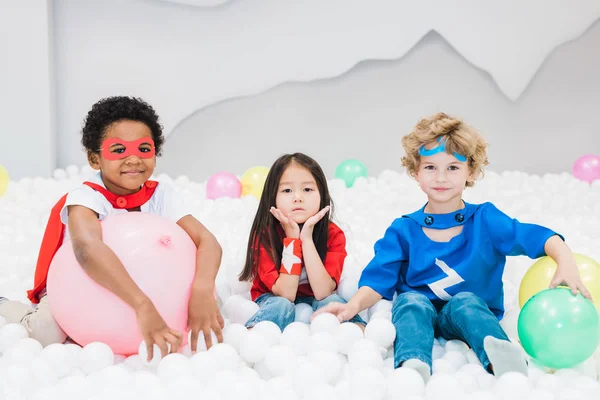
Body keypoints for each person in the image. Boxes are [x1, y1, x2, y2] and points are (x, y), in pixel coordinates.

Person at [314, 112, 591, 382]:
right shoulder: (404, 229)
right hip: (419, 311)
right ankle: (414, 362)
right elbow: (379, 279)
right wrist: (352, 306)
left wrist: (565, 260)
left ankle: (501, 356)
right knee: (411, 301)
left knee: (466, 301)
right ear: (416, 172)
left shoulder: (485, 219)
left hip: (467, 312)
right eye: (431, 167)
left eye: (453, 168)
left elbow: (536, 237)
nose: (441, 178)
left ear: (470, 171)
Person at [0, 96, 224, 359]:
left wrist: (202, 289)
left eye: (144, 149)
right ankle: (5, 307)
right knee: (47, 332)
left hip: (147, 278)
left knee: (212, 309)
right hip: (84, 282)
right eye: (118, 150)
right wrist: (142, 306)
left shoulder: (161, 195)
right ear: (95, 159)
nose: (133, 159)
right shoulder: (85, 199)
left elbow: (207, 240)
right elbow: (87, 250)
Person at [239, 152, 365, 331]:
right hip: (273, 297)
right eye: (287, 190)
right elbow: (286, 294)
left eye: (307, 189)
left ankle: (358, 332)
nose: (297, 197)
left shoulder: (333, 234)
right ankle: (252, 336)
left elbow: (323, 292)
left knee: (333, 302)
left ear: (322, 194)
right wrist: (292, 240)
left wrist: (306, 239)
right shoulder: (265, 235)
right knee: (281, 305)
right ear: (272, 196)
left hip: (316, 297)